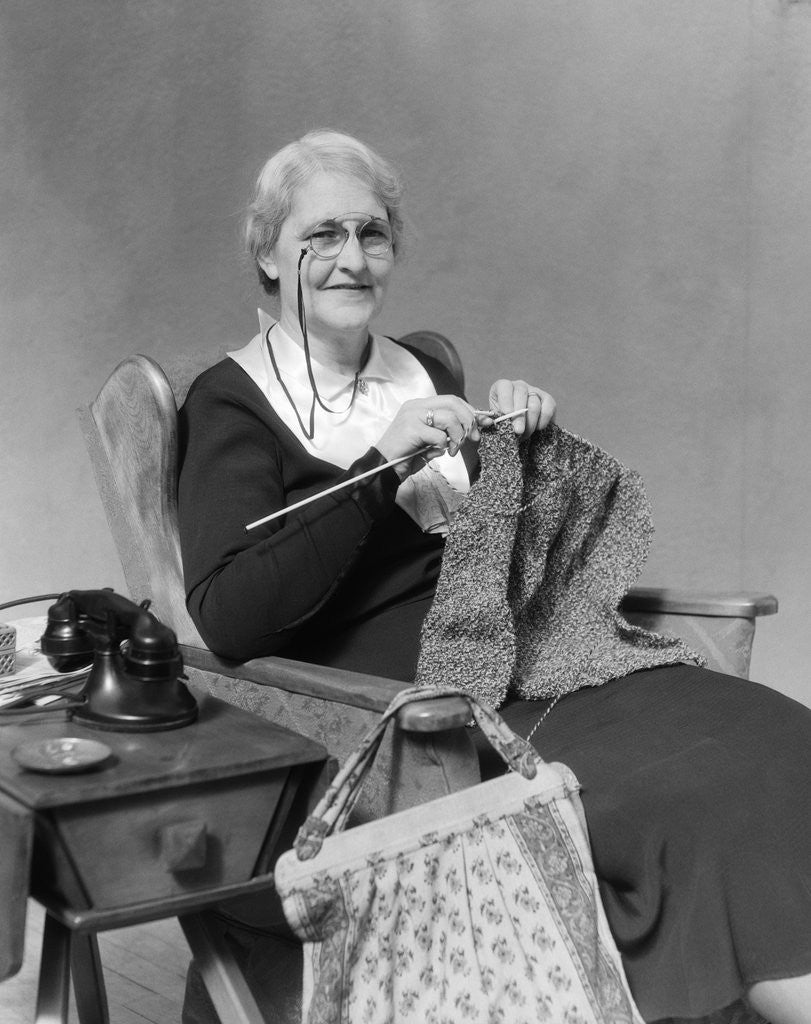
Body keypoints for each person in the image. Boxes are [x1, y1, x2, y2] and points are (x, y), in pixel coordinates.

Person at [177, 129, 811, 1024]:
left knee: (777, 743)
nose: (350, 259)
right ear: (268, 254)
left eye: (371, 234)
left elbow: (491, 549)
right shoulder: (230, 402)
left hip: (540, 661)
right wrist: (373, 471)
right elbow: (233, 617)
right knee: (688, 807)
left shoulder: (422, 369)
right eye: (319, 236)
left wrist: (527, 446)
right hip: (424, 713)